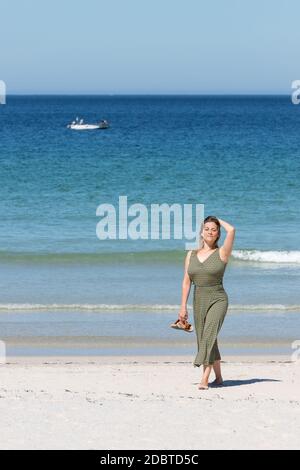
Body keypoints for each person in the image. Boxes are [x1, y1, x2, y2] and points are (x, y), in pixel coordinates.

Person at [178, 216, 235, 390]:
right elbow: (186, 282)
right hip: (199, 299)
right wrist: (182, 306)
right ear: (201, 232)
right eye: (207, 228)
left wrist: (218, 219)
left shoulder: (222, 253)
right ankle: (218, 377)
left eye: (214, 229)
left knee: (208, 336)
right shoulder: (191, 255)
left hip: (218, 298)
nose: (210, 232)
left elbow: (232, 230)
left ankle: (204, 378)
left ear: (218, 234)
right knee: (206, 337)